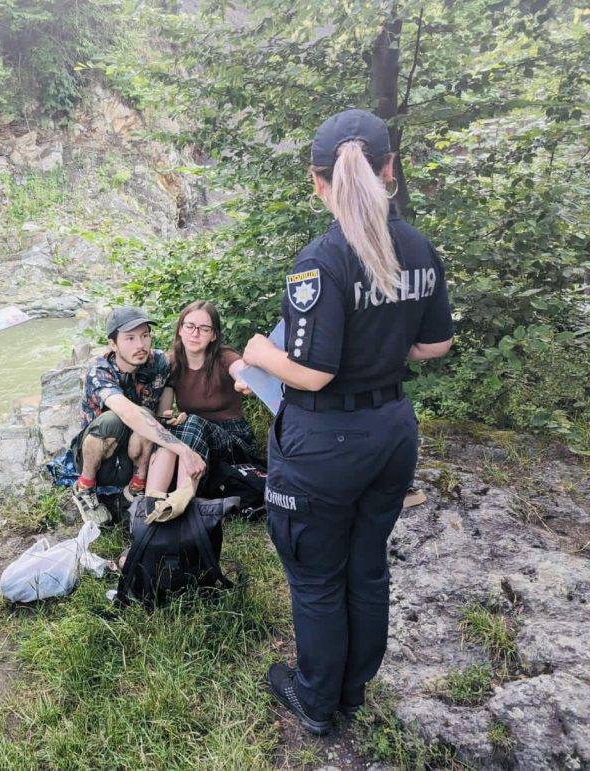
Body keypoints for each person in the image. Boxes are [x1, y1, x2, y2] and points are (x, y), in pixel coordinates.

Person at [239, 110, 453, 734]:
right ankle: (353, 688)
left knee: (315, 575)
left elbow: (312, 373)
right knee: (366, 563)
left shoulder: (322, 260)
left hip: (325, 444)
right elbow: (435, 345)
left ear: (317, 181)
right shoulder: (416, 246)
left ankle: (315, 699)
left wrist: (256, 352)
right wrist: (386, 349)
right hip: (392, 431)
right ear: (389, 169)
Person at [70, 306, 207, 524]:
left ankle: (136, 488)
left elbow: (162, 409)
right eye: (130, 338)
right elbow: (127, 412)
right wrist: (184, 450)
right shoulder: (100, 370)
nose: (140, 345)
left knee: (148, 417)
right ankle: (85, 487)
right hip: (98, 456)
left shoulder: (159, 362)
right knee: (116, 420)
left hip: (133, 457)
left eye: (145, 336)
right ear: (113, 344)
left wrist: (169, 417)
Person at [143, 300, 257, 511]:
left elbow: (239, 368)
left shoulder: (223, 357)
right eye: (190, 326)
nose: (195, 334)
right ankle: (149, 506)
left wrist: (245, 379)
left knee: (194, 422)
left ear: (213, 335)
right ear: (180, 329)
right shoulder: (172, 364)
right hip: (195, 440)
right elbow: (164, 413)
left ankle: (181, 505)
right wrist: (170, 418)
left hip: (234, 442)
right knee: (172, 429)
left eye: (204, 329)